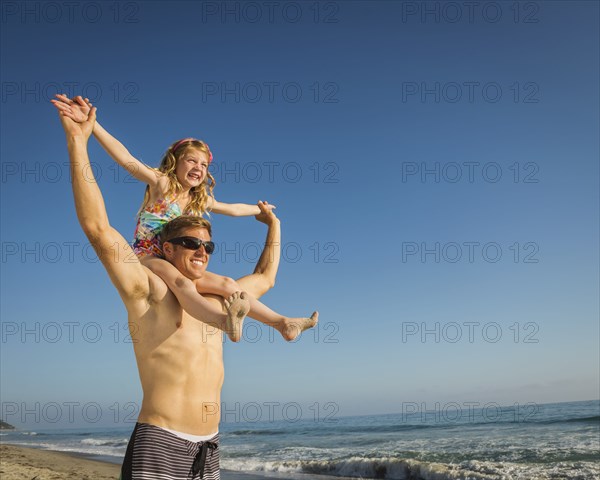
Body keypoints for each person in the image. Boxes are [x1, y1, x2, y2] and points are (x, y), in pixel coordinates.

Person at [56, 102, 296, 479]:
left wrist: (270, 220)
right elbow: (102, 220)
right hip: (161, 439)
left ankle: (261, 322)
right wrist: (86, 134)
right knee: (184, 285)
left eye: (207, 246)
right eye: (190, 243)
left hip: (210, 447)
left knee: (230, 288)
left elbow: (264, 277)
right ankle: (223, 321)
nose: (200, 250)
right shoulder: (148, 288)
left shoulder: (215, 285)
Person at [51, 94, 317, 342]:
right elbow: (126, 158)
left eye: (203, 165)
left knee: (226, 284)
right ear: (175, 162)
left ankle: (282, 323)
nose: (198, 168)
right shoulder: (162, 183)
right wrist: (92, 125)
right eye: (191, 161)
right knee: (180, 283)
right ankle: (224, 321)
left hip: (180, 259)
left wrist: (260, 210)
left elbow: (233, 209)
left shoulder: (199, 200)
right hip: (150, 255)